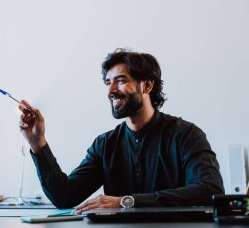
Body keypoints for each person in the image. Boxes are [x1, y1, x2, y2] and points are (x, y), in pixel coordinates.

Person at [18, 48, 224, 214]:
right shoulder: (105, 144)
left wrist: (128, 202)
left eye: (121, 80)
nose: (110, 91)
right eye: (108, 82)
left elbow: (209, 190)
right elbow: (65, 197)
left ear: (147, 86)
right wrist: (38, 144)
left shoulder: (186, 135)